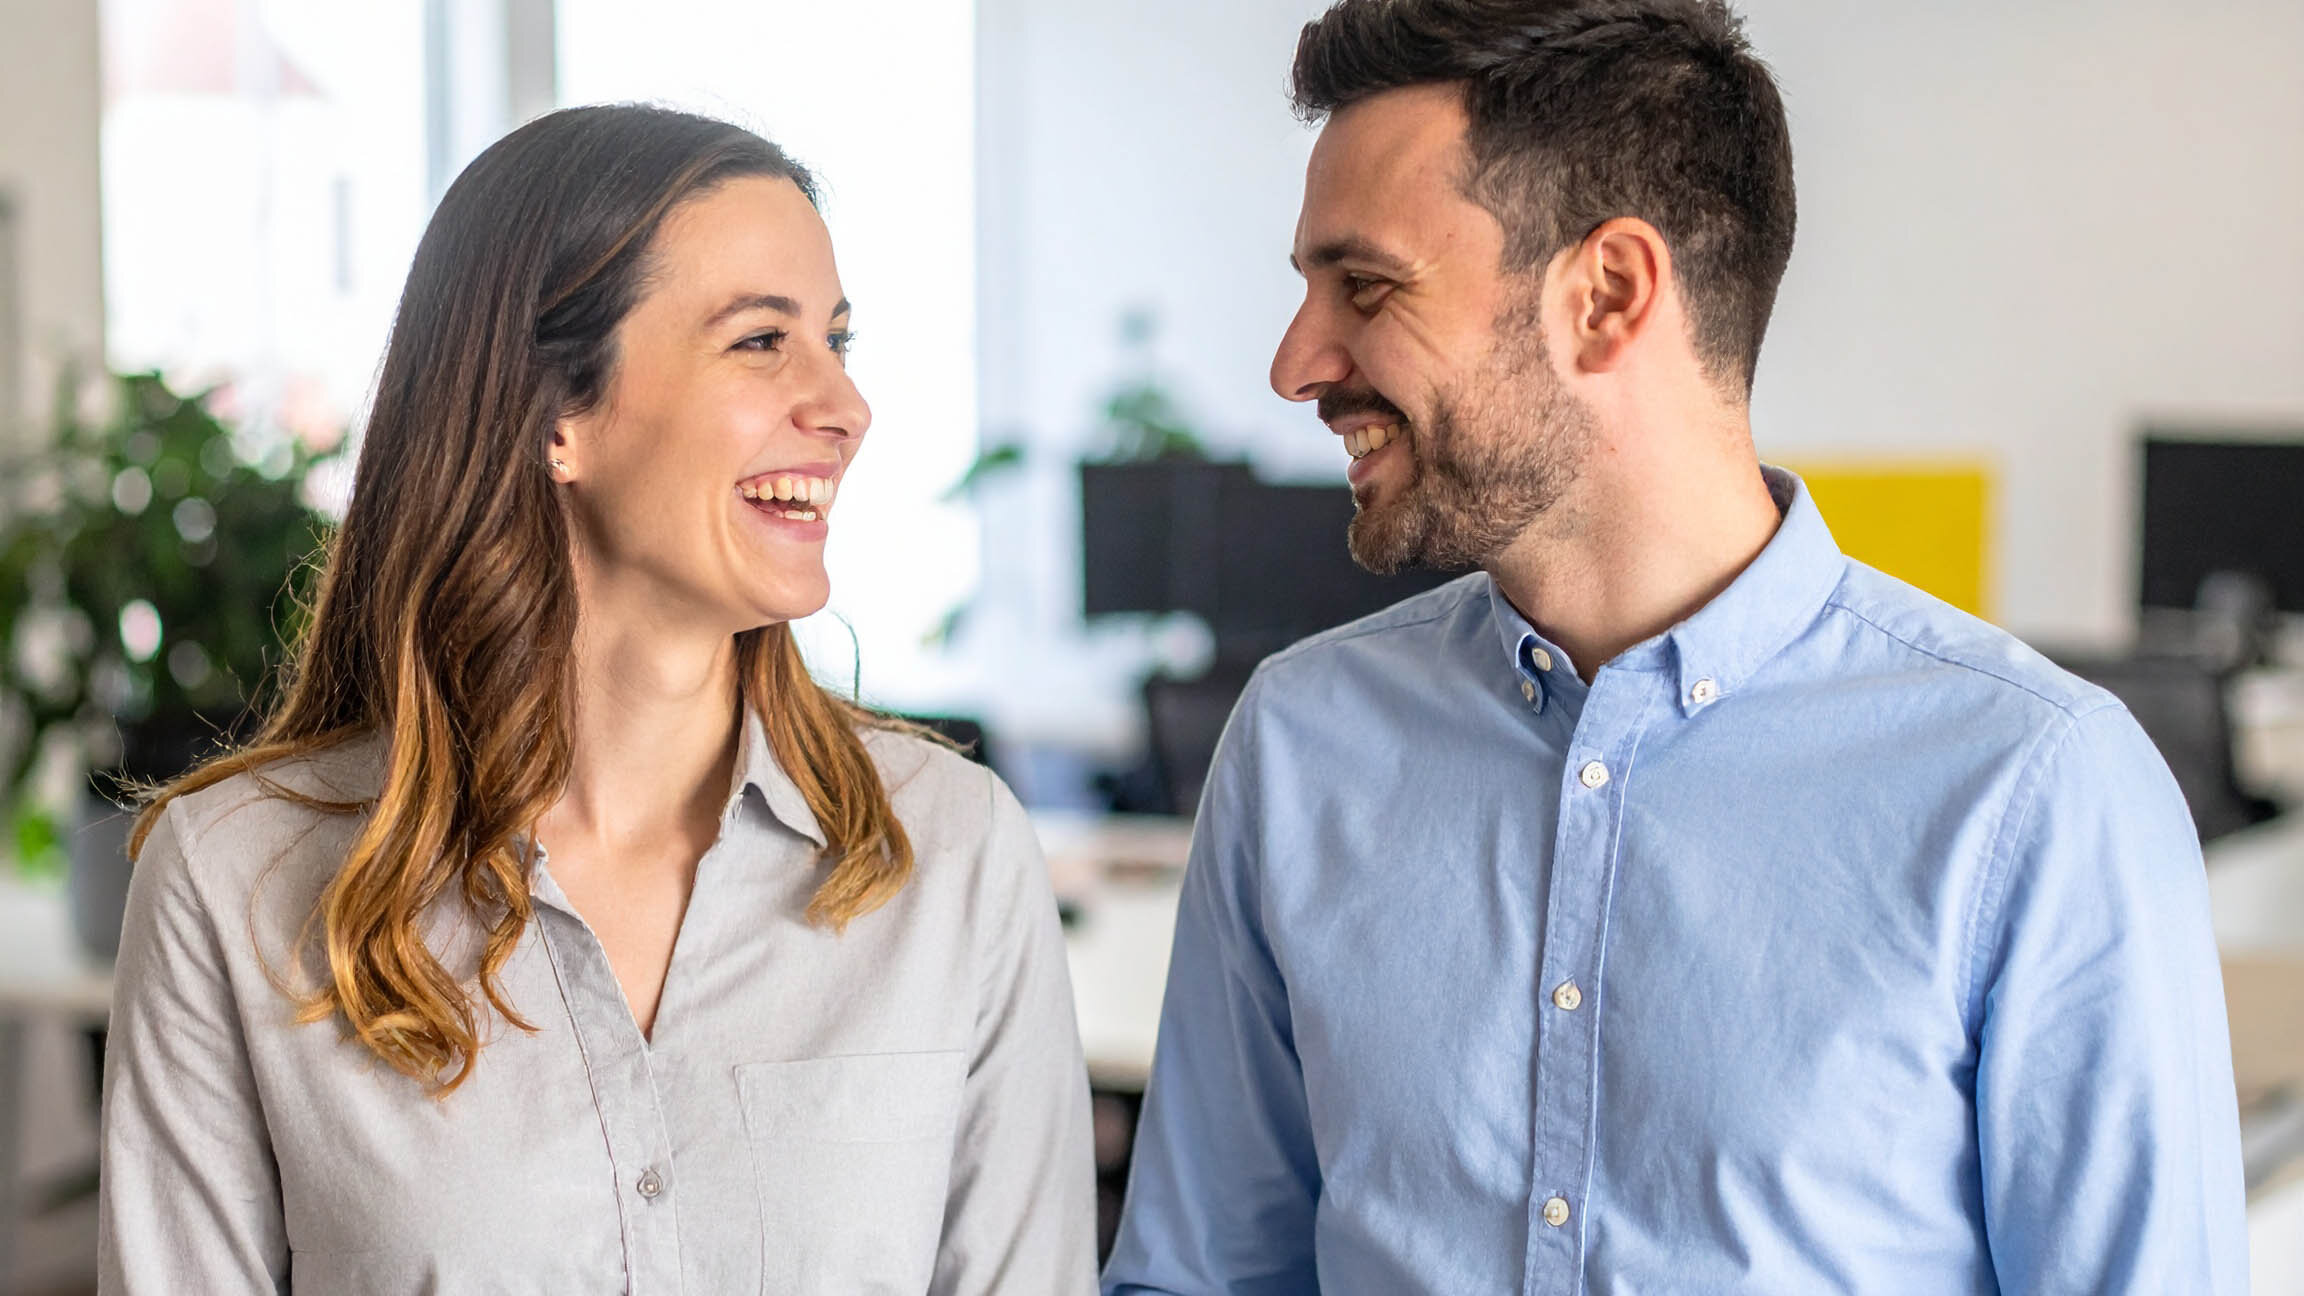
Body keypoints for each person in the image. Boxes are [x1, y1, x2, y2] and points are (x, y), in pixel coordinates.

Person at [1103, 2, 2248, 1292]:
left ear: (1606, 295)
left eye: (1364, 287)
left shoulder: (2037, 790)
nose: (1295, 361)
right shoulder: (1301, 741)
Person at [99, 105, 1096, 1294]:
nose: (845, 406)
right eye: (762, 342)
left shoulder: (955, 850)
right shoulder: (236, 882)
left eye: (837, 339)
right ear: (555, 414)